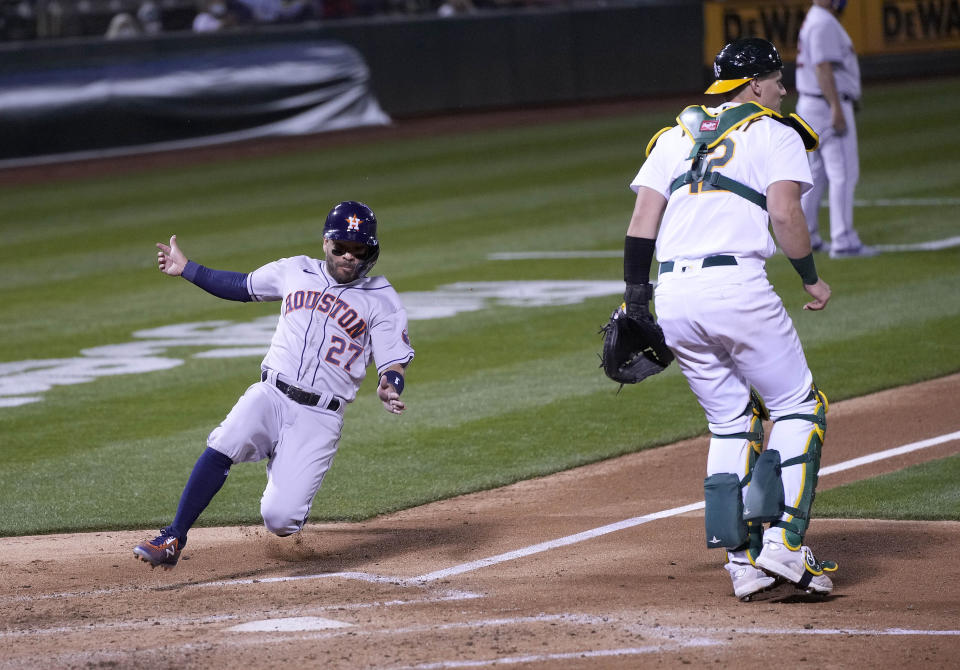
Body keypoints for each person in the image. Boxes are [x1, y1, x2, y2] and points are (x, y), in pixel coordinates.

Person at [617, 37, 837, 600]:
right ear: (755, 84)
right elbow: (786, 213)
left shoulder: (674, 135)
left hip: (675, 294)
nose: (784, 89)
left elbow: (643, 219)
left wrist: (636, 299)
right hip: (735, 287)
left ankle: (743, 563)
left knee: (730, 421)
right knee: (797, 406)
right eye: (777, 79)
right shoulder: (774, 131)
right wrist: (810, 277)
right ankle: (786, 546)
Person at [134, 201, 414, 569]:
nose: (348, 256)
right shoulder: (294, 270)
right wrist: (187, 269)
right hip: (272, 393)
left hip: (319, 416)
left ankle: (285, 476)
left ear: (370, 252)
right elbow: (240, 285)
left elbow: (393, 359)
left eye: (357, 250)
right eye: (340, 247)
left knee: (280, 519)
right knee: (224, 441)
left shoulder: (382, 299)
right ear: (326, 244)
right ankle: (173, 536)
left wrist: (390, 384)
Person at [796, 0, 875, 258]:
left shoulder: (815, 18)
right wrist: (836, 108)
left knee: (816, 174)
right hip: (825, 104)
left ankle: (807, 236)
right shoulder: (823, 22)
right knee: (843, 173)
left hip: (812, 103)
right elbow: (823, 67)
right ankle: (844, 240)